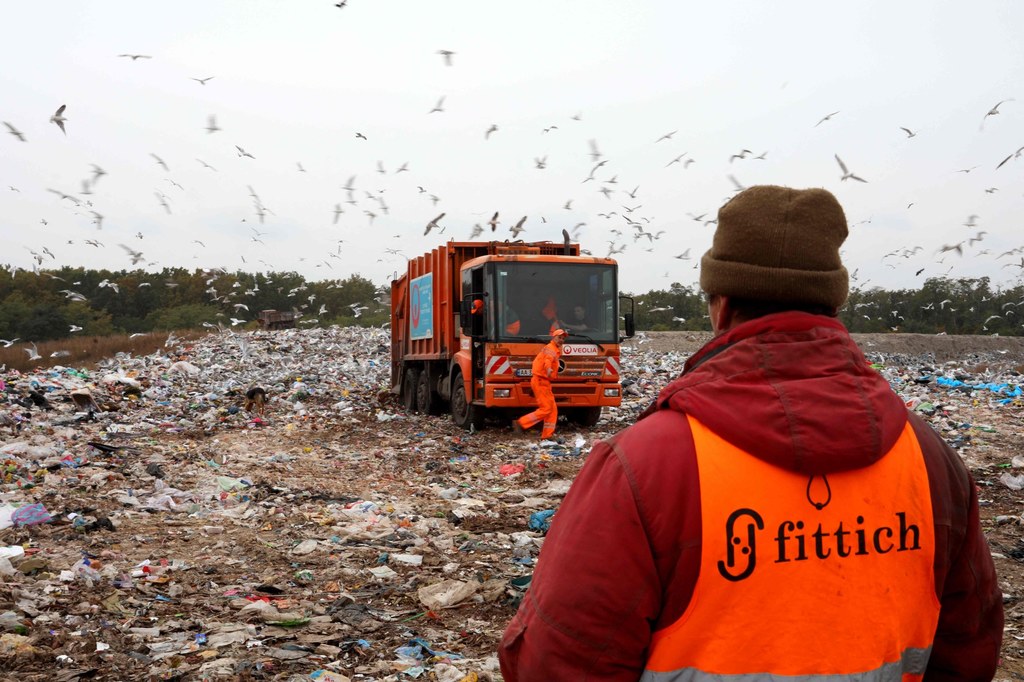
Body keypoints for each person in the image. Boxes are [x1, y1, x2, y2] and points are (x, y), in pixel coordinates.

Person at [498, 185, 1002, 680]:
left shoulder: (646, 466)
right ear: (832, 300)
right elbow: (969, 648)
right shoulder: (931, 459)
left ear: (720, 304)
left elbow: (559, 662)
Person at [513, 328, 566, 440]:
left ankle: (547, 435)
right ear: (553, 337)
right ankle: (521, 423)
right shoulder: (551, 349)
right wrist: (548, 370)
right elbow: (547, 361)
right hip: (541, 381)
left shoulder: (553, 349)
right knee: (546, 408)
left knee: (552, 409)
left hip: (543, 382)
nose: (561, 340)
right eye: (559, 337)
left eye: (563, 338)